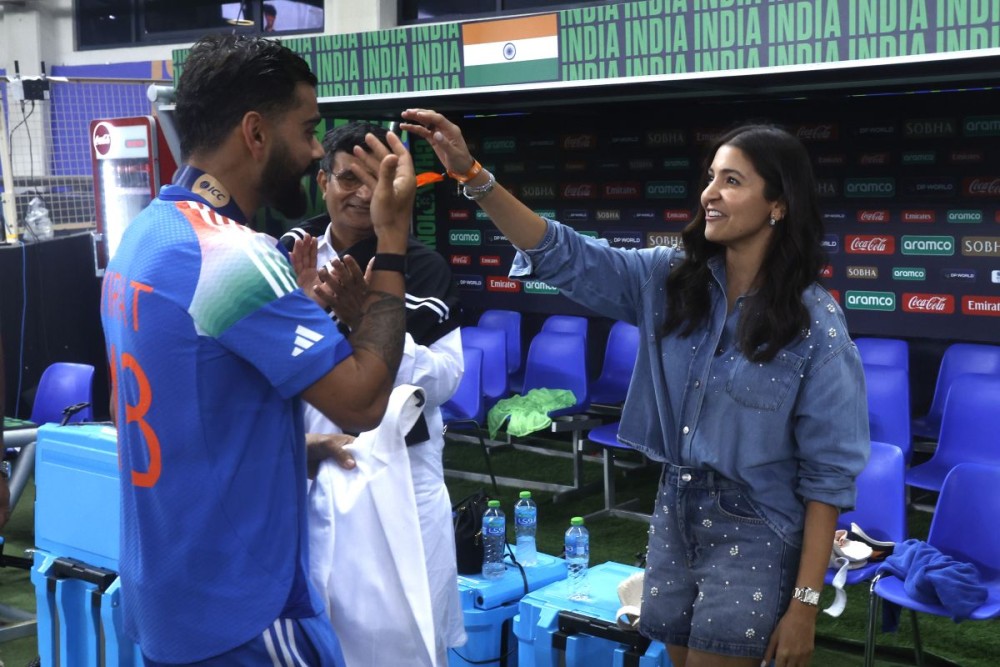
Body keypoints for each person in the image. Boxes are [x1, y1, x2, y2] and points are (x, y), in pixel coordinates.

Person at [399, 109, 869, 667]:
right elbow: (564, 253)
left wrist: (805, 605)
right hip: (674, 507)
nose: (710, 195)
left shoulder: (815, 323)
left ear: (779, 204)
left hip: (760, 526)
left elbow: (828, 479)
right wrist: (474, 175)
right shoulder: (669, 279)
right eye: (711, 177)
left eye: (733, 181)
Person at [99, 34, 415, 666]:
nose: (315, 151)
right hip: (240, 605)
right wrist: (392, 235)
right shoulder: (234, 255)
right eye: (308, 128)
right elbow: (361, 402)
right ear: (255, 132)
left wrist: (289, 450)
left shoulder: (142, 240)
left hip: (169, 597)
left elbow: (140, 413)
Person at [280, 120, 466, 664]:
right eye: (346, 179)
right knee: (313, 636)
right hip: (309, 471)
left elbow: (447, 379)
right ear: (323, 182)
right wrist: (305, 313)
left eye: (375, 180)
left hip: (401, 480)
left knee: (406, 641)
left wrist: (375, 323)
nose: (362, 194)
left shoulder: (423, 266)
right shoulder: (287, 255)